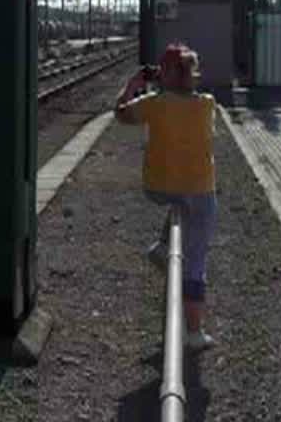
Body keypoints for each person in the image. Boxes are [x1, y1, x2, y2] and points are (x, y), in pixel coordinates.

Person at [114, 43, 217, 351]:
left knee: (177, 202)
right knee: (195, 261)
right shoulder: (208, 103)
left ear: (168, 74)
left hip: (158, 188)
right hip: (199, 191)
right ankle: (194, 332)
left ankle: (161, 247)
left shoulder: (153, 103)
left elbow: (119, 113)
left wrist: (133, 85)